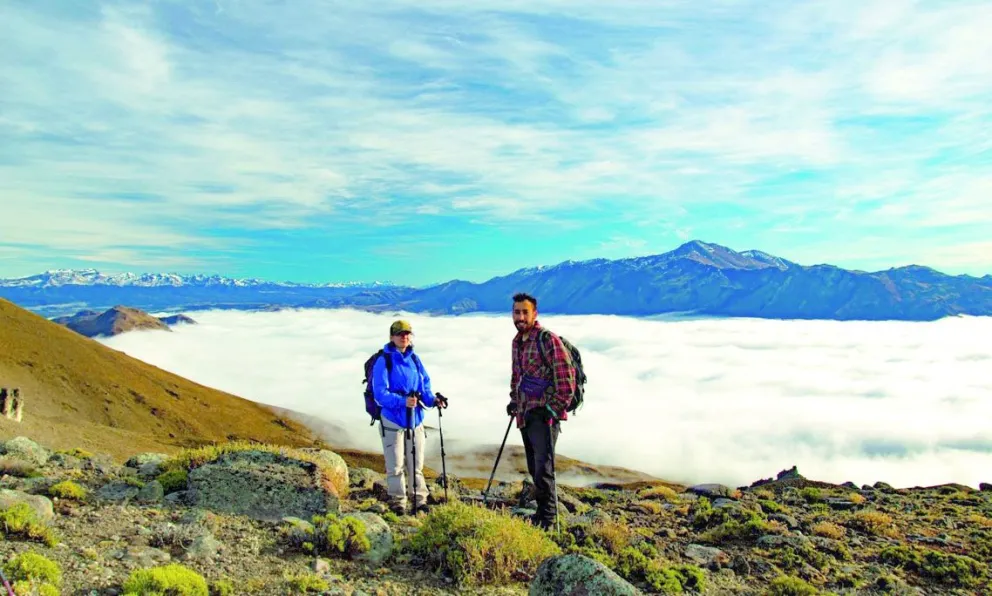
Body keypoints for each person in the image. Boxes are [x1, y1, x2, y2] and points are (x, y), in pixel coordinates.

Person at [506, 293, 576, 530]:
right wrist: (514, 401)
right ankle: (541, 515)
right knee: (535, 468)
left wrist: (553, 409)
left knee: (544, 470)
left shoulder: (547, 340)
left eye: (525, 312)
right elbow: (517, 376)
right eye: (517, 312)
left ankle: (549, 520)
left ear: (535, 314)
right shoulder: (517, 342)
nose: (521, 317)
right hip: (525, 414)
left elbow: (566, 379)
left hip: (544, 415)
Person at [371, 319, 447, 515]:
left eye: (407, 334)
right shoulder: (384, 361)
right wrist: (402, 402)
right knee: (395, 466)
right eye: (399, 334)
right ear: (391, 337)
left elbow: (425, 387)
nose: (404, 337)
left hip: (415, 420)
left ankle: (419, 501)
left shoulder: (415, 360)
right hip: (393, 421)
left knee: (416, 465)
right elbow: (380, 394)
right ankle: (398, 503)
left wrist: (433, 400)